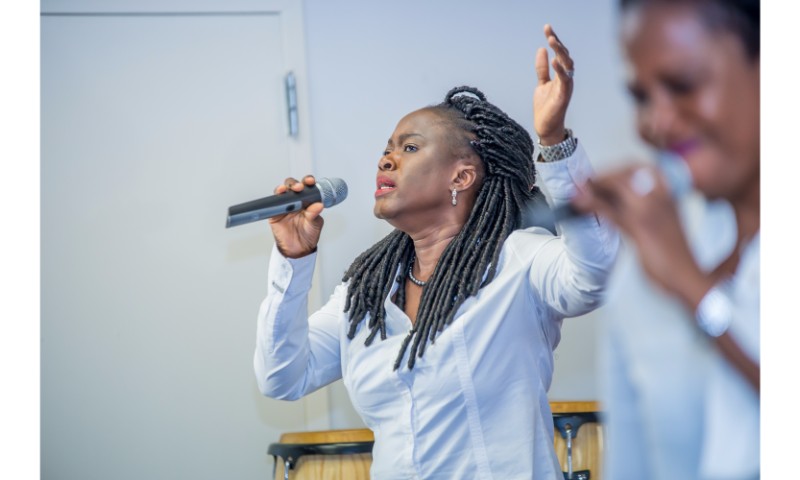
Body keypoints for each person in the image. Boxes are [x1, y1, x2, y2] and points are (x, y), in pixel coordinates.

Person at [253, 25, 619, 479]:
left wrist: (555, 143)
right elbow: (282, 377)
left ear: (461, 177)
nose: (386, 160)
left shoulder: (519, 261)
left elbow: (598, 273)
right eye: (387, 150)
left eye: (409, 147)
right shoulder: (366, 290)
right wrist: (292, 260)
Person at [570, 1, 760, 478]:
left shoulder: (671, 267)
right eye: (641, 97)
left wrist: (693, 290)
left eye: (683, 85)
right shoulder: (644, 271)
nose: (658, 123)